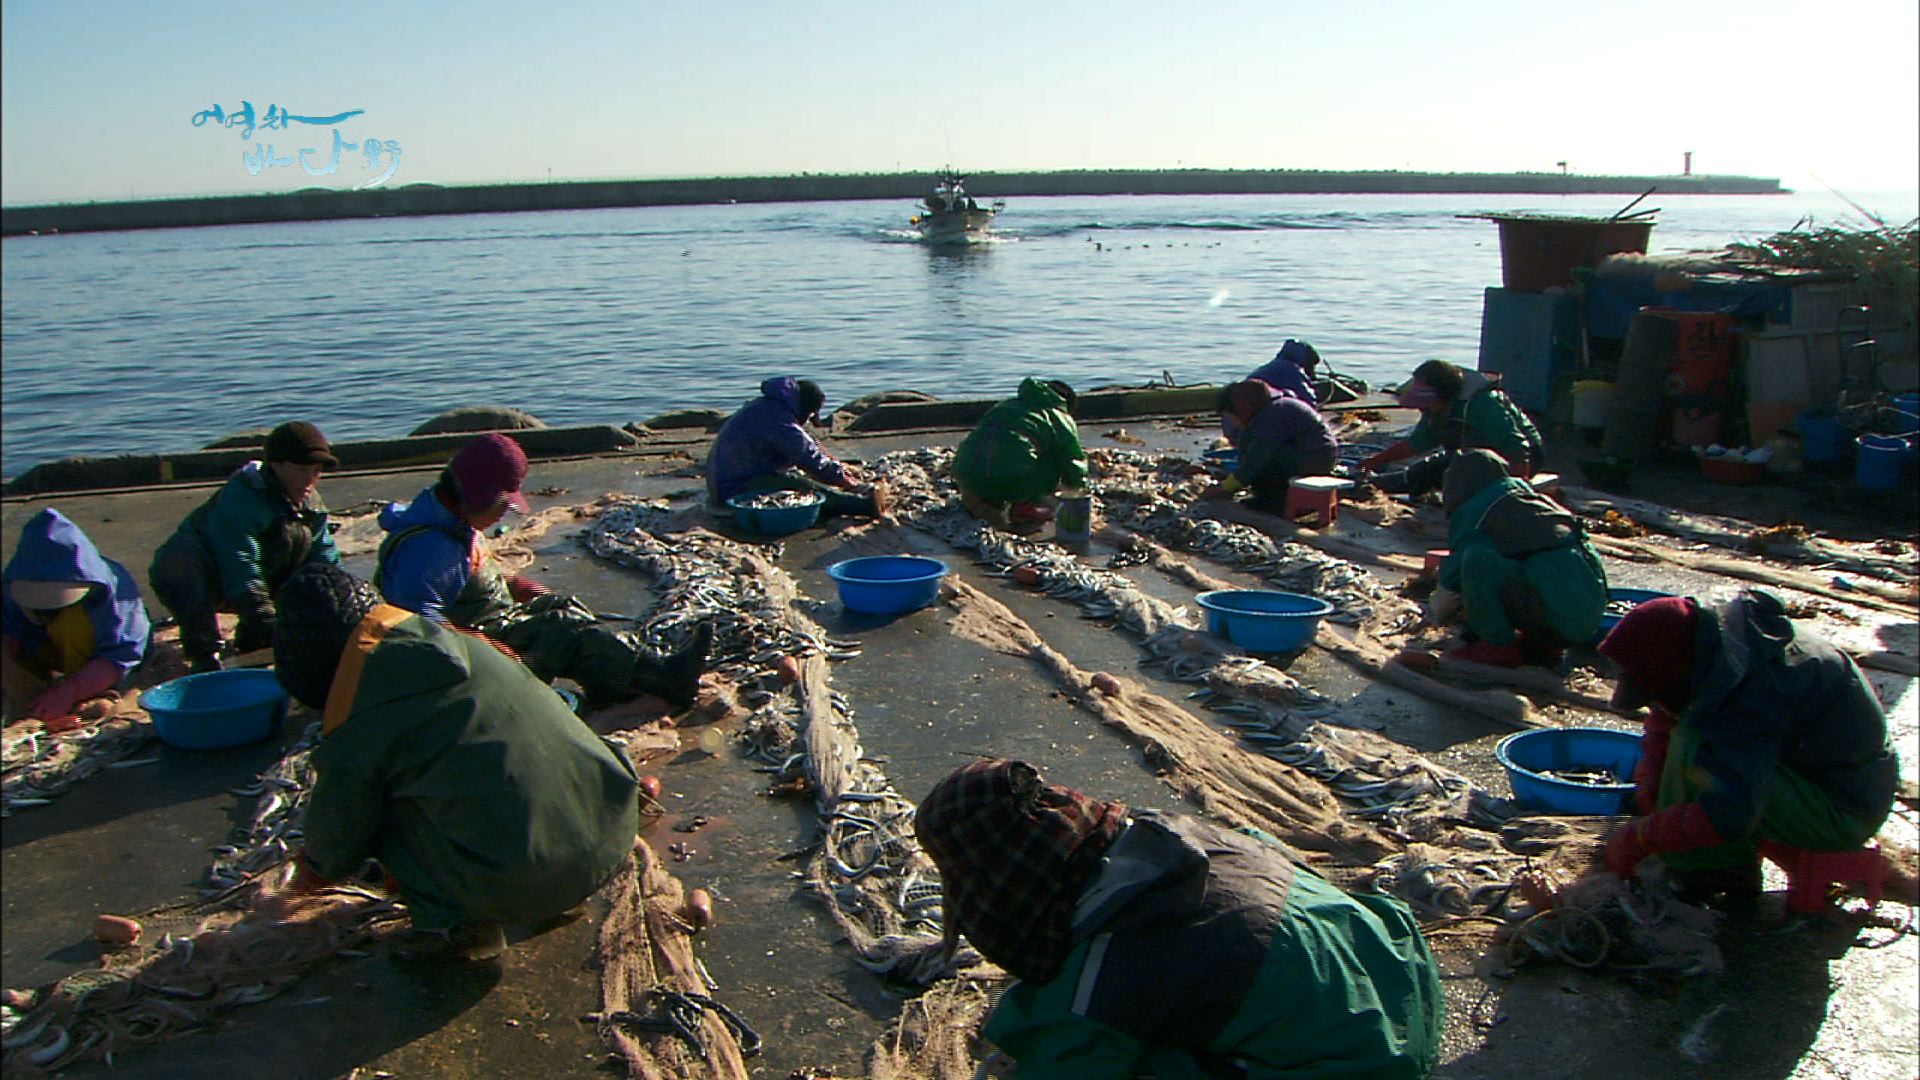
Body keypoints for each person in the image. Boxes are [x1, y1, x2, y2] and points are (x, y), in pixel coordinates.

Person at [916, 759, 1443, 1078]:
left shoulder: (1102, 975)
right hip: (1400, 977)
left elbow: (1063, 1059)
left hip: (1368, 1065)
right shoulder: (1169, 833)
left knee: (1137, 1057)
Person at [266, 564, 641, 962]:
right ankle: (560, 882)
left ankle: (456, 927)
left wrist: (302, 883)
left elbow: (337, 836)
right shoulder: (466, 643)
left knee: (378, 812)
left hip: (531, 879)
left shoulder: (363, 717)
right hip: (611, 833)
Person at [1597, 592, 1898, 904]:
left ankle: (1718, 870)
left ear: (1679, 669)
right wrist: (1653, 774)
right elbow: (1667, 713)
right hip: (1809, 774)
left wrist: (1642, 836)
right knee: (1690, 739)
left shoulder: (1754, 692)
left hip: (1844, 809)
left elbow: (1731, 810)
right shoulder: (1721, 646)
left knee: (1695, 752)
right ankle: (1718, 857)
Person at [375, 433, 710, 711]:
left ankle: (619, 683)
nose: (504, 514)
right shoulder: (432, 547)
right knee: (564, 629)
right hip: (467, 658)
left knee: (563, 606)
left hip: (489, 621)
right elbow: (419, 624)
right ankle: (664, 681)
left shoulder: (452, 520)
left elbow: (467, 579)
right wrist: (486, 646)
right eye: (502, 505)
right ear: (479, 497)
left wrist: (517, 586)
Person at [148, 421, 341, 673]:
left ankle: (253, 638)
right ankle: (204, 652)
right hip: (211, 574)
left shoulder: (311, 506)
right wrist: (263, 615)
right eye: (301, 470)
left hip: (263, 570)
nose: (309, 480)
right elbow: (239, 561)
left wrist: (337, 602)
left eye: (316, 472)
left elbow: (326, 560)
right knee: (179, 565)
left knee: (306, 568)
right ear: (276, 465)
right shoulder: (243, 497)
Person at [1430, 450, 1607, 668]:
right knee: (1534, 564)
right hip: (1589, 615)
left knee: (1475, 559)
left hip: (1557, 621)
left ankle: (1497, 645)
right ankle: (1546, 645)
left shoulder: (1478, 512)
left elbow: (1454, 577)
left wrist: (1436, 614)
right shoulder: (1530, 499)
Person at [3, 509, 151, 723]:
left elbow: (123, 653)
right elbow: (10, 629)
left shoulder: (113, 590)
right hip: (46, 648)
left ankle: (79, 697)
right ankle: (33, 706)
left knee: (71, 624)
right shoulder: (13, 585)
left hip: (96, 661)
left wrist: (70, 690)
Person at [706, 377, 887, 520]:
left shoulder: (771, 406)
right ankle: (863, 506)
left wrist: (837, 465)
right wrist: (850, 484)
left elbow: (811, 444)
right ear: (805, 409)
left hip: (733, 475)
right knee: (801, 488)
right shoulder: (779, 421)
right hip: (736, 487)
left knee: (799, 477)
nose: (808, 422)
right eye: (810, 417)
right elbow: (809, 457)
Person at [1358, 360, 1545, 497]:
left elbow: (1516, 444)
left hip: (1523, 457)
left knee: (1457, 480)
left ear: (1445, 396)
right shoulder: (1435, 411)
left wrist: (1517, 486)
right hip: (1474, 454)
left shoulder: (1481, 404)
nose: (1423, 409)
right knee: (1426, 471)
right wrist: (1374, 461)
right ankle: (1372, 484)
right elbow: (1416, 443)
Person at [951, 378, 1088, 531]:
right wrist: (1078, 491)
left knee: (997, 457)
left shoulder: (1006, 405)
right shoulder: (1059, 416)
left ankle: (986, 502)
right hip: (1013, 479)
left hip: (966, 472)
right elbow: (1073, 461)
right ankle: (1023, 504)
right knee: (1056, 456)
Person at [1202, 380, 1340, 506]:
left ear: (1243, 408)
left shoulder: (1272, 415)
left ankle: (1276, 501)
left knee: (1261, 460)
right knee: (1252, 450)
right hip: (1313, 454)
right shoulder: (1273, 408)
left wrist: (1226, 487)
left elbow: (1257, 458)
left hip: (1316, 458)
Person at [1222, 339, 1323, 446]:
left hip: (1234, 426)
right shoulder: (1292, 370)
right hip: (1251, 429)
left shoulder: (1270, 367)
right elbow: (1308, 402)